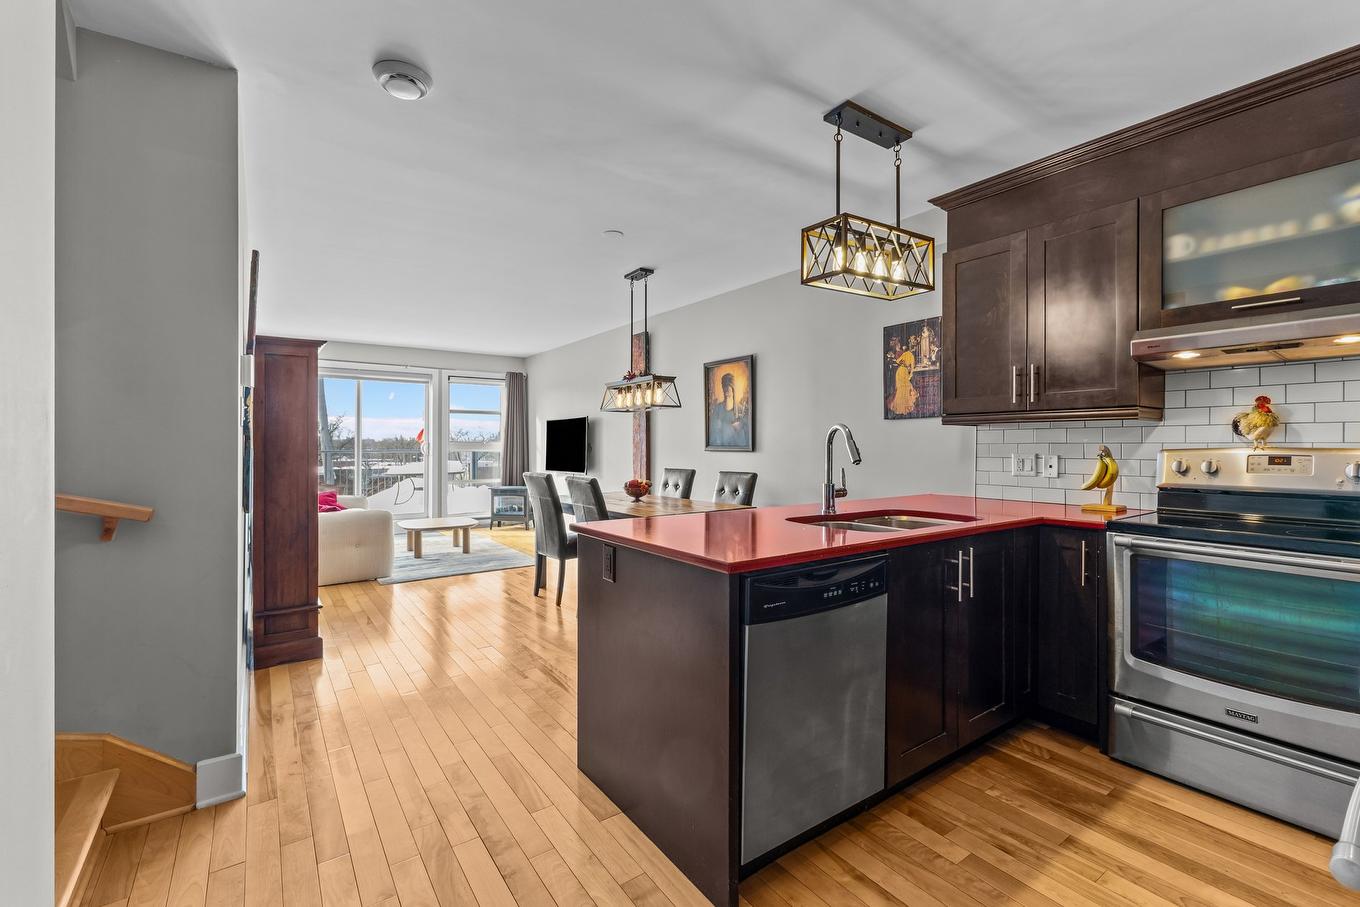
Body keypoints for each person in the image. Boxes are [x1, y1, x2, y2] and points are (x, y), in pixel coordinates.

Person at [885, 335, 917, 416]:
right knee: (900, 388)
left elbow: (906, 364)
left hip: (902, 372)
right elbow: (908, 366)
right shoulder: (903, 354)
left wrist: (894, 359)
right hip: (901, 372)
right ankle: (900, 406)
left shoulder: (905, 354)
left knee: (905, 388)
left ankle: (904, 407)